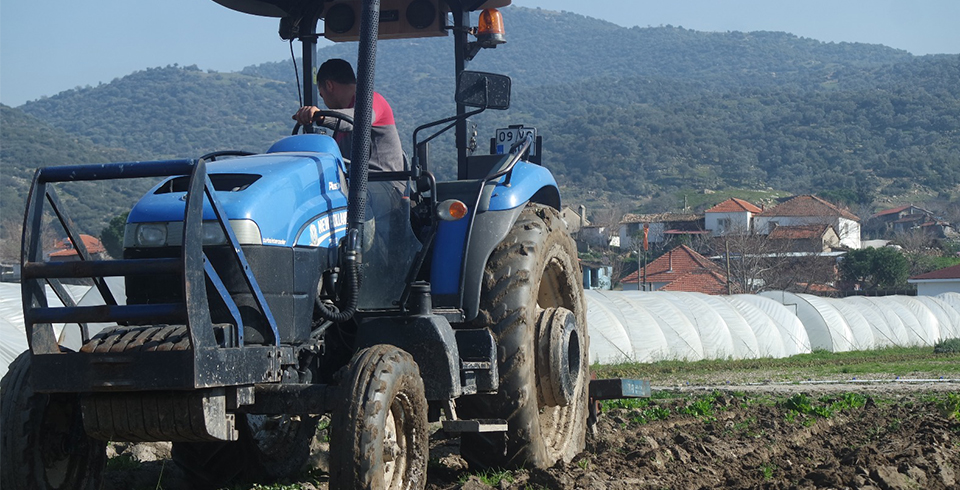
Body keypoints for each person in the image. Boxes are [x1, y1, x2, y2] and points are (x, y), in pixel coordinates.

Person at [293, 58, 405, 174]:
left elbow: (360, 119)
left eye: (322, 95)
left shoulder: (372, 99)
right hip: (354, 182)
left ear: (329, 85)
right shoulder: (341, 124)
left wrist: (322, 117)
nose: (324, 100)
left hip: (383, 182)